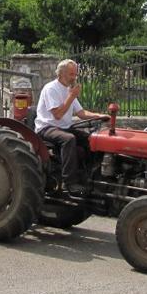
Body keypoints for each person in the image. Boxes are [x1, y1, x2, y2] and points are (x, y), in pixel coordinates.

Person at [34, 59, 109, 195]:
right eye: (71, 74)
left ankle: (91, 176)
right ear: (61, 74)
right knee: (68, 139)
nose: (74, 77)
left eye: (75, 74)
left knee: (92, 139)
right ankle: (69, 182)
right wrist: (72, 96)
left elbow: (81, 113)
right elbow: (58, 114)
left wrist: (99, 116)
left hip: (64, 128)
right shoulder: (51, 89)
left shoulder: (69, 90)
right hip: (47, 128)